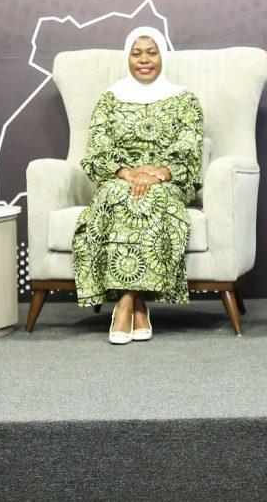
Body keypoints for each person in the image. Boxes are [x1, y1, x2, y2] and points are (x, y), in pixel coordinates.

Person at [72, 26, 204, 344]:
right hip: (119, 179)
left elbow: (189, 147)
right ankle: (139, 306)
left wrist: (157, 173)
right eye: (136, 53)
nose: (144, 60)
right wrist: (128, 173)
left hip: (167, 181)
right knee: (122, 196)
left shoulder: (184, 100)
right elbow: (98, 148)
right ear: (127, 58)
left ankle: (124, 304)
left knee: (151, 199)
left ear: (162, 56)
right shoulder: (110, 99)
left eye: (151, 52)